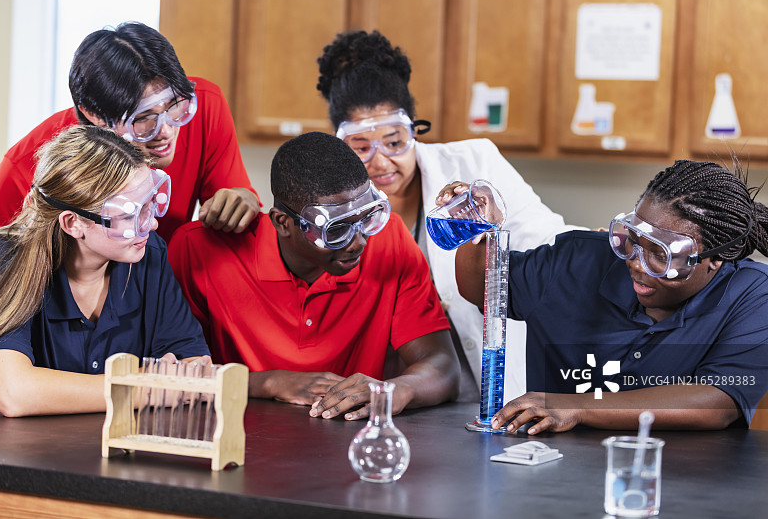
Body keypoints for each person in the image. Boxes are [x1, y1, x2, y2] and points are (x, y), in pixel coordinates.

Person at [316, 30, 581, 401]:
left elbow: (543, 237)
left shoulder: (475, 163)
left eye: (395, 142)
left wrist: (599, 248)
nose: (380, 161)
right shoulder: (336, 205)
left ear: (413, 129)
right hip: (399, 390)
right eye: (360, 147)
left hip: (490, 383)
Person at [450, 159, 768, 434]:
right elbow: (480, 286)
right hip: (555, 473)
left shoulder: (751, 295)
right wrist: (477, 229)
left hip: (685, 481)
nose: (635, 262)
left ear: (715, 259)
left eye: (661, 254)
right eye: (632, 238)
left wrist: (574, 407)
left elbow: (717, 400)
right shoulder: (576, 260)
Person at [168, 131, 459, 419]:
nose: (359, 242)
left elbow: (442, 366)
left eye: (367, 217)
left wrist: (392, 391)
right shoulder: (199, 250)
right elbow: (169, 374)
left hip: (348, 438)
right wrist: (268, 383)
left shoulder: (390, 239)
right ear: (283, 223)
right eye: (336, 229)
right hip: (232, 438)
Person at [0, 125, 211, 417]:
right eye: (131, 214)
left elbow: (196, 369)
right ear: (73, 223)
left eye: (149, 205)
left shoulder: (148, 253)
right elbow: (14, 393)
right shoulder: (7, 256)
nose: (152, 224)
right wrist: (147, 387)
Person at [0, 22, 259, 244]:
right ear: (94, 115)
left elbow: (235, 200)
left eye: (175, 106)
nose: (166, 131)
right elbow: (0, 283)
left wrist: (244, 200)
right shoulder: (23, 168)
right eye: (143, 118)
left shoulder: (206, 105)